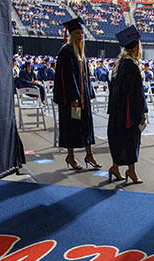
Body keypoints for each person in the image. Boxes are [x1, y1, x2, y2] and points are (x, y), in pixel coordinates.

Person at [53, 17, 101, 170]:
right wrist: (73, 98)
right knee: (71, 127)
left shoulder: (80, 53)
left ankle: (89, 154)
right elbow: (66, 78)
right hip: (71, 99)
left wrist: (88, 94)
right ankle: (71, 156)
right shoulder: (66, 52)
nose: (80, 36)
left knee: (87, 126)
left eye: (81, 33)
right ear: (71, 35)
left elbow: (85, 78)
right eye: (77, 33)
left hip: (83, 98)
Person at [107, 25, 148, 184]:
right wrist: (142, 112)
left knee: (120, 139)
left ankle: (115, 167)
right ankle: (131, 171)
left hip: (118, 111)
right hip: (129, 112)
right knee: (131, 140)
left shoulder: (120, 64)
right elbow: (137, 93)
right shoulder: (132, 66)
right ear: (137, 47)